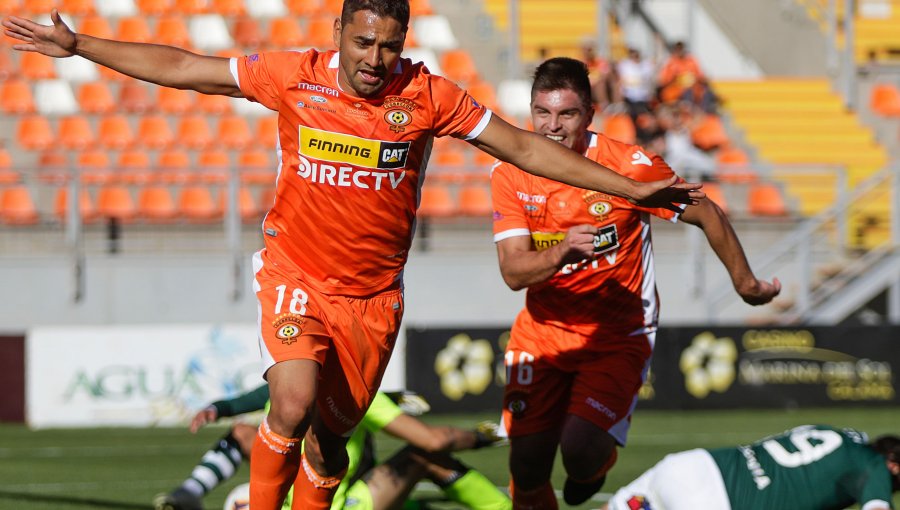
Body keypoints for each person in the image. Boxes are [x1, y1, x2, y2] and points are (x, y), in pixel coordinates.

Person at [3, 3, 703, 508]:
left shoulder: (427, 95)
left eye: (389, 45)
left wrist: (633, 189)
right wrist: (81, 46)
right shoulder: (293, 76)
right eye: (363, 41)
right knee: (293, 399)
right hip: (295, 273)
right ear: (339, 32)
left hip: (372, 299)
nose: (375, 59)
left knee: (332, 441)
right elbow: (189, 67)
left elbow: (525, 148)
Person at [489, 57, 780, 509]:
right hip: (543, 331)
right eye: (542, 113)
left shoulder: (629, 165)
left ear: (589, 113)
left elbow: (705, 210)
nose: (552, 126)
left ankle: (594, 467)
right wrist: (562, 249)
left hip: (616, 334)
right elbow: (513, 272)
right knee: (527, 467)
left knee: (580, 452)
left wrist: (745, 282)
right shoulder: (510, 172)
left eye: (566, 114)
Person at [155, 385, 511, 510]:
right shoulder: (358, 397)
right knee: (424, 454)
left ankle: (190, 491)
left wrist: (219, 407)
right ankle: (500, 507)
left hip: (283, 504)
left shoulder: (286, 389)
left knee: (244, 433)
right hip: (339, 505)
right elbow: (438, 439)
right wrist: (486, 436)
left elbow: (261, 395)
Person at [604, 424, 900, 510]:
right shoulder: (873, 466)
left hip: (689, 466)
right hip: (717, 501)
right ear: (894, 465)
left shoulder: (832, 433)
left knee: (618, 507)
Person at [657, 41, 716, 112]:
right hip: (676, 89)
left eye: (681, 49)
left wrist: (703, 79)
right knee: (686, 94)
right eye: (678, 49)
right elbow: (664, 80)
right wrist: (675, 78)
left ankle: (704, 114)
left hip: (693, 88)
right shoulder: (671, 62)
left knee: (706, 92)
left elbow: (700, 75)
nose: (680, 51)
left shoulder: (692, 60)